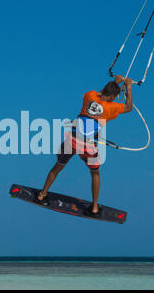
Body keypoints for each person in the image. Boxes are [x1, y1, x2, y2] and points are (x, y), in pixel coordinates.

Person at [36, 76, 134, 217]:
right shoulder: (111, 107)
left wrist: (115, 82)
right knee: (95, 173)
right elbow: (129, 107)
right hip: (87, 146)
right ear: (112, 97)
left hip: (72, 140)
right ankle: (94, 208)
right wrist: (129, 86)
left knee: (57, 166)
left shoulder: (89, 95)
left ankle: (42, 194)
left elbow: (100, 92)